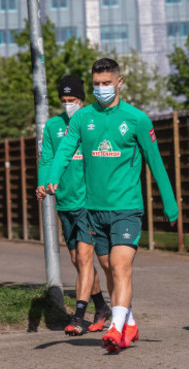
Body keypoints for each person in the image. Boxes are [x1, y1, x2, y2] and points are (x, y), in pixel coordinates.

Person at [46, 58, 178, 352]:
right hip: (93, 209)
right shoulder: (82, 118)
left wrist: (171, 205)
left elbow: (155, 163)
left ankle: (116, 328)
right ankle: (128, 321)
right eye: (96, 84)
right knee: (106, 266)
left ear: (119, 83)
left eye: (107, 83)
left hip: (126, 207)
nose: (101, 89)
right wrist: (53, 177)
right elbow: (66, 148)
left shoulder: (137, 119)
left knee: (120, 266)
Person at [36, 75, 112, 335]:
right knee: (77, 260)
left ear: (82, 99)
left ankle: (79, 316)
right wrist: (43, 183)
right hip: (65, 202)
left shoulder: (92, 122)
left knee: (84, 257)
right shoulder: (53, 126)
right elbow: (46, 159)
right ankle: (102, 306)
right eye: (65, 100)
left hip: (88, 202)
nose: (69, 104)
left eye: (74, 100)